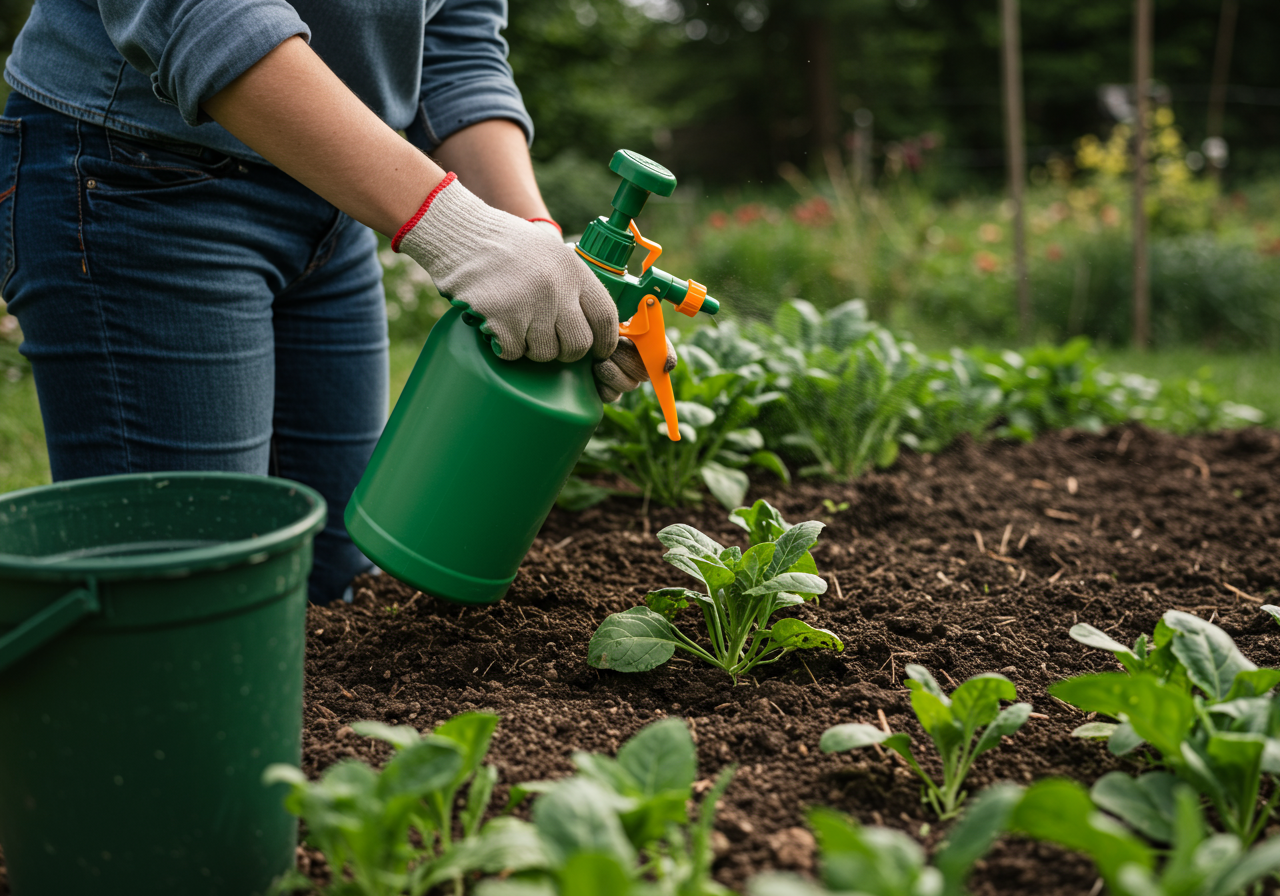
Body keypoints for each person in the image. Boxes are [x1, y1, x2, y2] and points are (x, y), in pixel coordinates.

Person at [0, 0, 675, 604]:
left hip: (335, 196)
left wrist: (541, 253)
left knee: (342, 576)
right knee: (186, 594)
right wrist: (452, 228)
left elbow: (453, 40)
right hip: (139, 174)